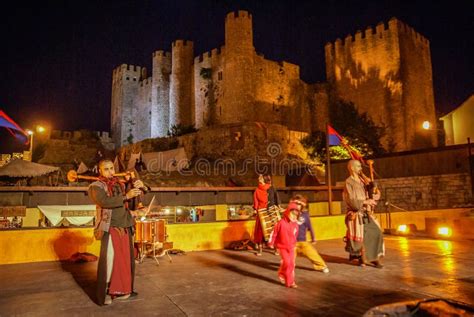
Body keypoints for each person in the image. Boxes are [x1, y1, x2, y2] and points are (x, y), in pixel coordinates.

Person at [88, 159, 142, 305]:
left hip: (125, 225)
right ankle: (106, 292)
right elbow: (104, 202)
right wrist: (126, 196)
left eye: (112, 168)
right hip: (110, 227)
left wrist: (138, 185)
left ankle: (123, 290)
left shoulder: (120, 184)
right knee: (110, 260)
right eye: (106, 169)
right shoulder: (96, 186)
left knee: (124, 260)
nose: (111, 172)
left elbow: (129, 202)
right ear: (100, 171)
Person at [343, 159, 384, 268]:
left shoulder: (364, 180)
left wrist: (374, 192)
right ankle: (362, 258)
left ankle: (374, 258)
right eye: (358, 166)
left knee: (375, 232)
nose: (361, 168)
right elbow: (351, 200)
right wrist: (365, 201)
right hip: (357, 212)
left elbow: (375, 193)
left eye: (360, 166)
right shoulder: (349, 182)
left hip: (367, 212)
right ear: (352, 168)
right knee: (361, 235)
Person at [291, 195, 329, 273]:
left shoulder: (305, 215)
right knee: (289, 259)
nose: (297, 206)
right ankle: (288, 269)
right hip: (292, 242)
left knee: (313, 254)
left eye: (298, 204)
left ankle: (322, 266)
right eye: (295, 204)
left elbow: (310, 227)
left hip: (303, 242)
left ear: (302, 205)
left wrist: (313, 237)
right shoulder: (289, 215)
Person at [268, 202, 300, 288]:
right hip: (282, 247)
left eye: (295, 215)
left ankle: (287, 278)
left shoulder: (296, 225)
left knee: (291, 264)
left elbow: (295, 236)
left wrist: (295, 244)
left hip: (291, 247)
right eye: (292, 214)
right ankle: (289, 281)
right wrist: (271, 243)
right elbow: (274, 233)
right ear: (288, 213)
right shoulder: (281, 223)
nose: (294, 216)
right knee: (287, 262)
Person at [252, 174, 270, 256]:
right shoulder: (257, 190)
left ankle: (276, 248)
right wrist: (255, 209)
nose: (259, 178)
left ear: (264, 179)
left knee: (271, 228)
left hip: (269, 210)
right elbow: (256, 201)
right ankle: (260, 249)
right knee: (260, 231)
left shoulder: (270, 188)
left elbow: (273, 198)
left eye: (261, 177)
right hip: (260, 211)